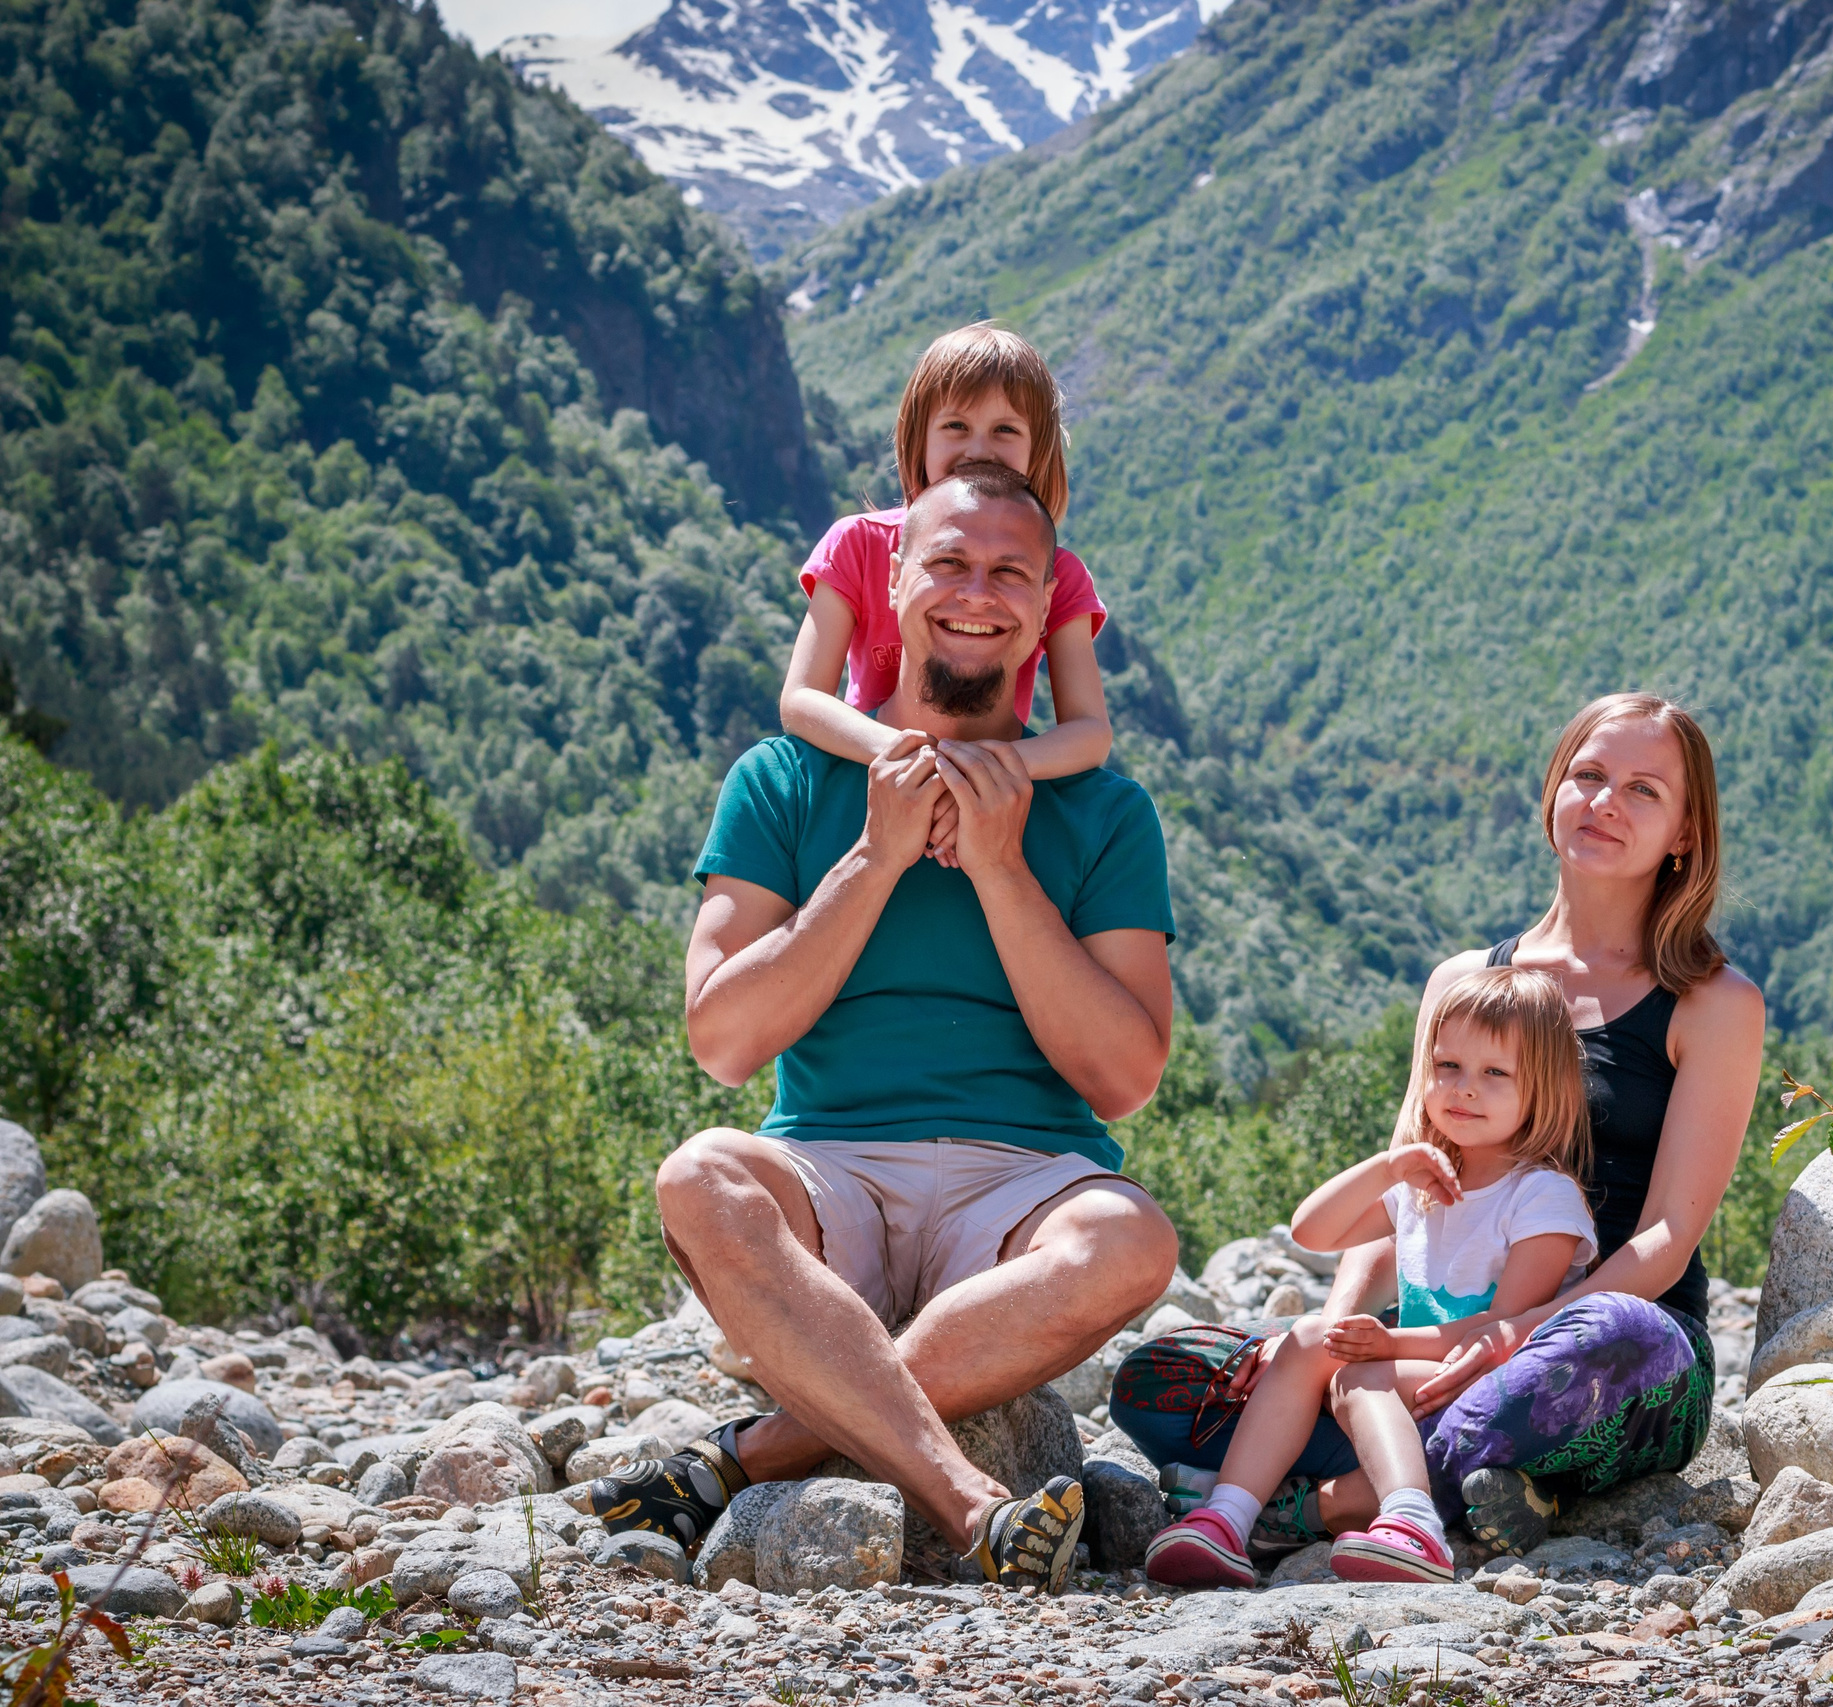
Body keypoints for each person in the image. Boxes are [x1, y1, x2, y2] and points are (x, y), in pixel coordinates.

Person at [567, 462, 1180, 1593]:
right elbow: (722, 1041)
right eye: (947, 561)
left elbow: (1123, 1077)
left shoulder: (1105, 809)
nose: (975, 591)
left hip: (1024, 1190)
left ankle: (757, 1451)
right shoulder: (785, 780)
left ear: (1048, 608)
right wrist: (876, 856)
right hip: (826, 1171)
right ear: (892, 581)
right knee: (701, 1176)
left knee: (1132, 1241)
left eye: (1009, 572)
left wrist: (1000, 870)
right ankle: (968, 1500)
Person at [1109, 692, 1766, 1556]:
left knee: (1612, 1344)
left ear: (1685, 832)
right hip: (1420, 1350)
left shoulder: (1714, 1004)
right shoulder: (1463, 982)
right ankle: (1473, 1482)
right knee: (1160, 1377)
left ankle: (1327, 1501)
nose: (1606, 801)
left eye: (1644, 790)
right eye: (1590, 774)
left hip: (1596, 1351)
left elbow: (1668, 1239)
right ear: (1553, 793)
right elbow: (1409, 1189)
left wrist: (1508, 1337)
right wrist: (1338, 1342)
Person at [1142, 967, 1597, 1589]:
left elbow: (1504, 1333)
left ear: (1542, 1089)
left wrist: (1387, 1345)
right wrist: (1388, 1167)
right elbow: (1311, 1232)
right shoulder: (1423, 1188)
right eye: (1448, 1066)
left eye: (1496, 1074)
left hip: (1492, 1382)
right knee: (1307, 1339)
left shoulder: (1542, 1196)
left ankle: (1414, 1524)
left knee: (1356, 1374)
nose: (1464, 1090)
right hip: (1413, 1372)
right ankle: (1227, 1518)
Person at [781, 323, 1111, 865]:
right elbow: (800, 701)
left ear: (1039, 450)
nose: (978, 449)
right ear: (919, 439)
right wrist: (917, 764)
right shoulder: (858, 544)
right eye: (956, 425)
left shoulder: (1058, 574)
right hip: (868, 772)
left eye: (1006, 430)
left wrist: (979, 774)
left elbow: (1090, 731)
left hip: (983, 793)